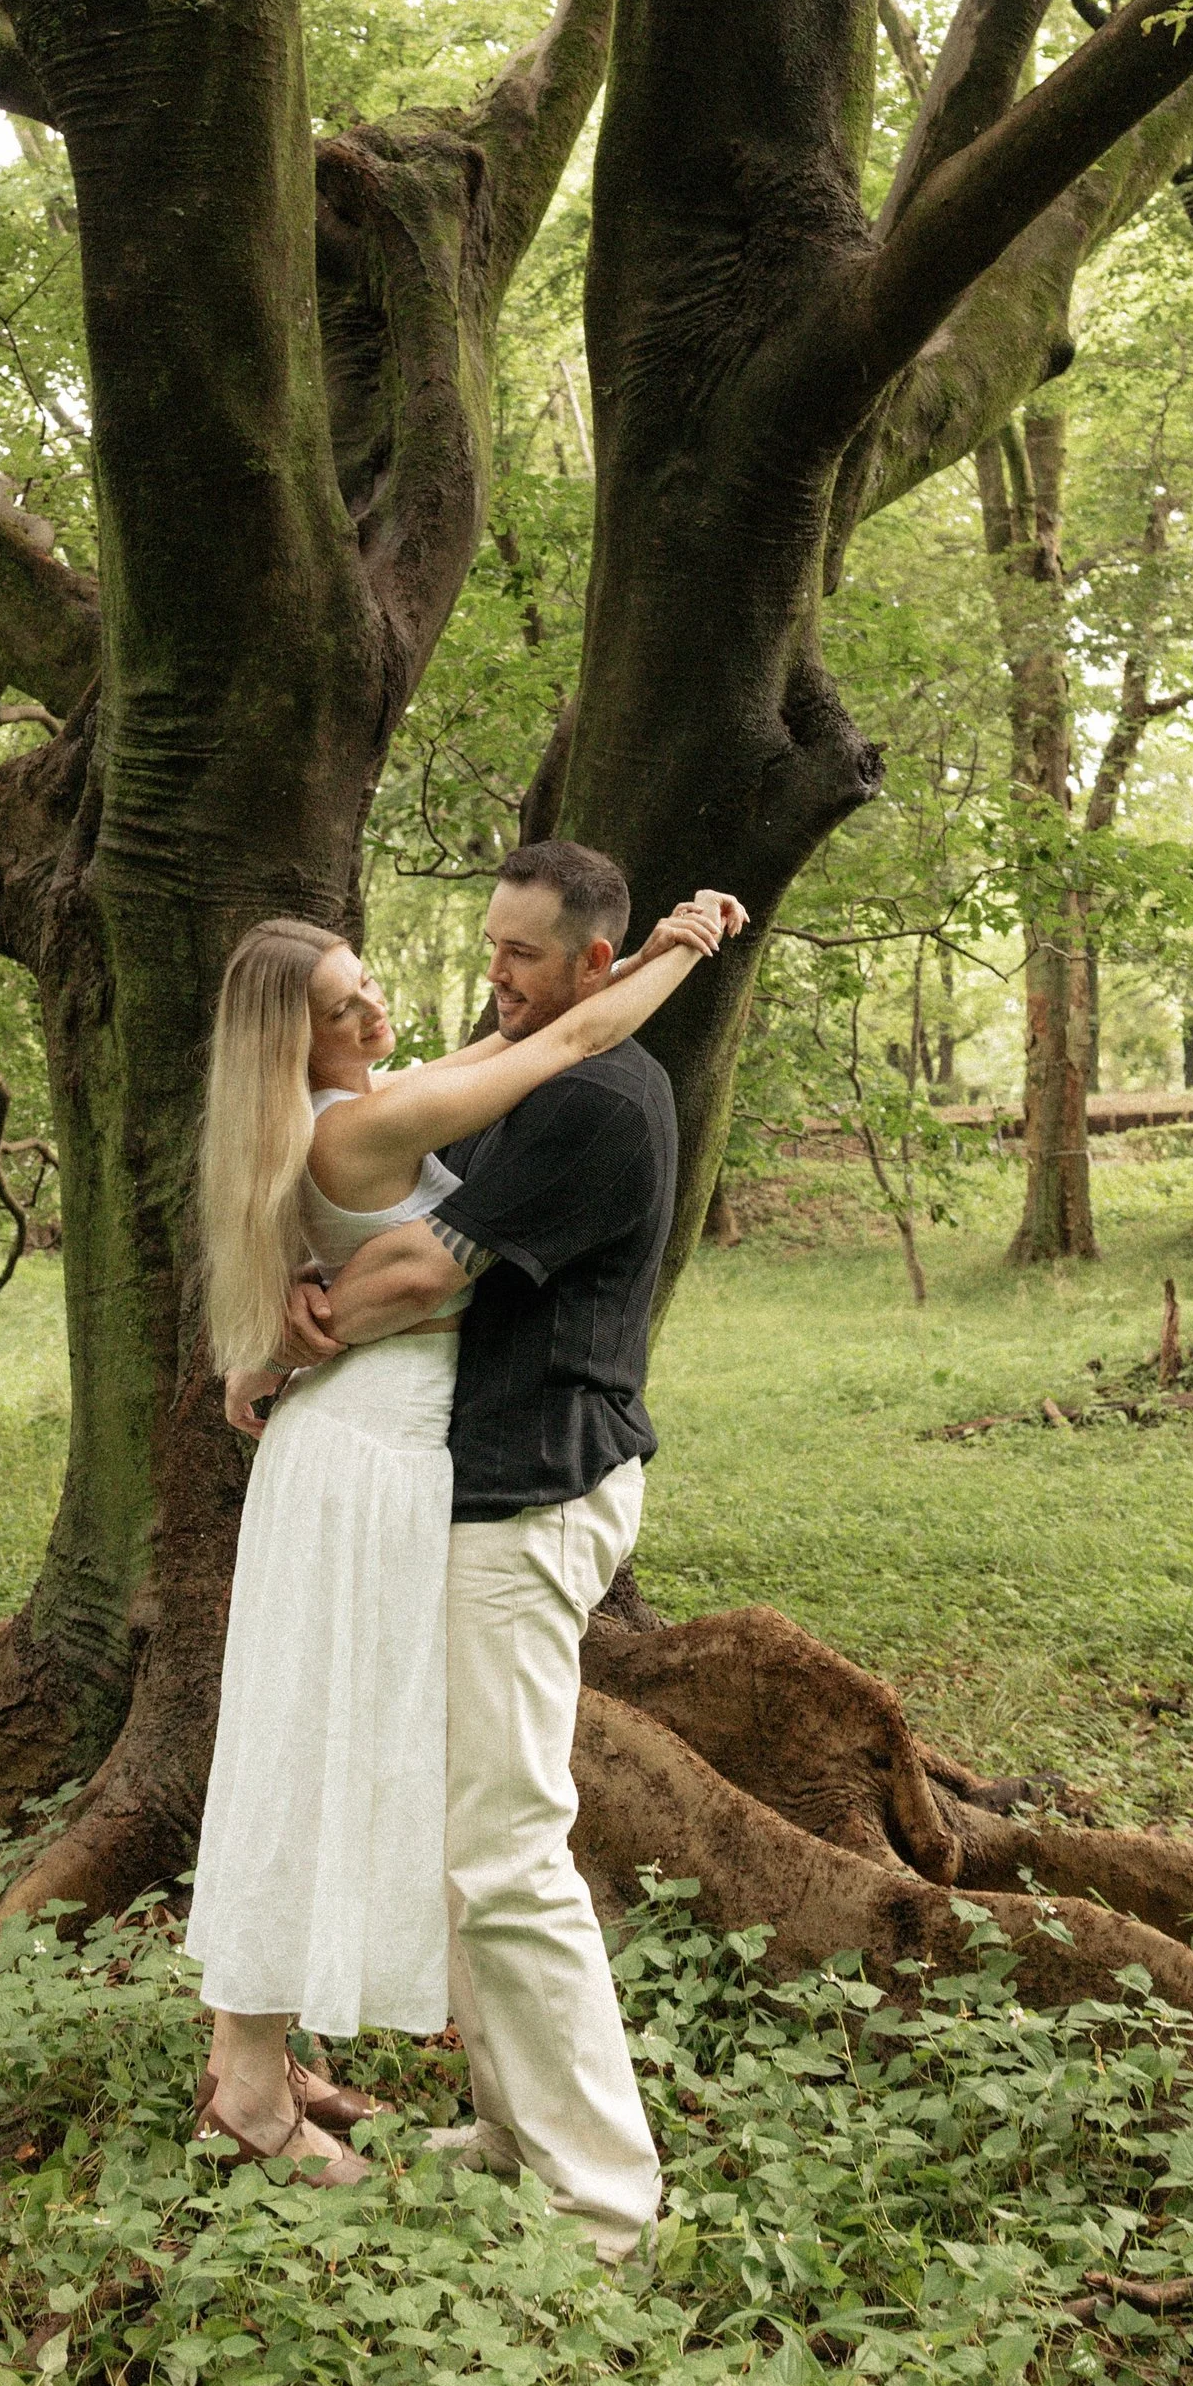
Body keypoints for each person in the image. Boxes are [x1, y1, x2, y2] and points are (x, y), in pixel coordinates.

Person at [185, 881, 736, 2183]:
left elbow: (546, 1063)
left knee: (452, 1809)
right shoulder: (367, 1119)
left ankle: (559, 2167)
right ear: (294, 1041)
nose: (387, 998)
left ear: (582, 957)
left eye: (516, 951)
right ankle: (271, 2078)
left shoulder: (504, 1087)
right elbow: (433, 1243)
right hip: (387, 1455)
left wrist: (667, 951)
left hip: (457, 1462)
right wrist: (282, 1330)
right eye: (340, 1002)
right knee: (369, 1773)